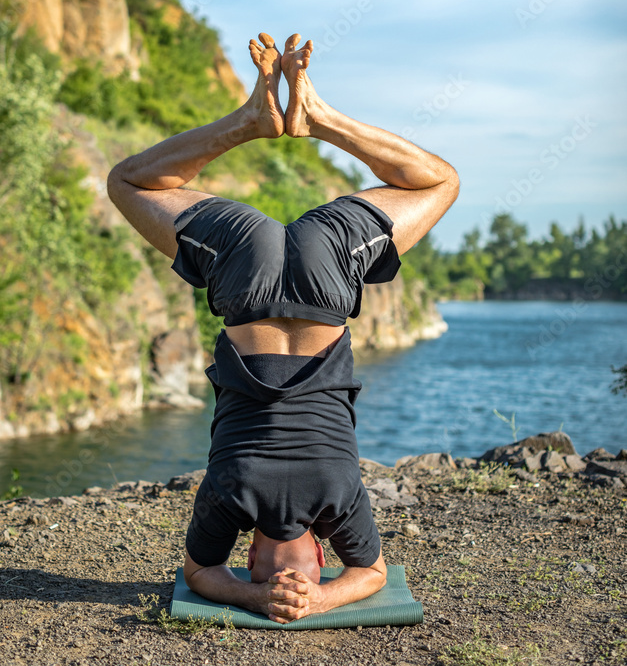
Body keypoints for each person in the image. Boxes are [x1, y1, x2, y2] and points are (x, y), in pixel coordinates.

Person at [107, 32, 459, 622]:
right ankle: (271, 119)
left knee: (440, 182)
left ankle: (298, 119)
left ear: (317, 551)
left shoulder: (323, 503)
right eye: (311, 578)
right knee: (128, 182)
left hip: (310, 275)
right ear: (254, 551)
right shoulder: (243, 500)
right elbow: (206, 573)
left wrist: (304, 597)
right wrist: (269, 596)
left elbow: (366, 574)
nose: (291, 581)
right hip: (262, 275)